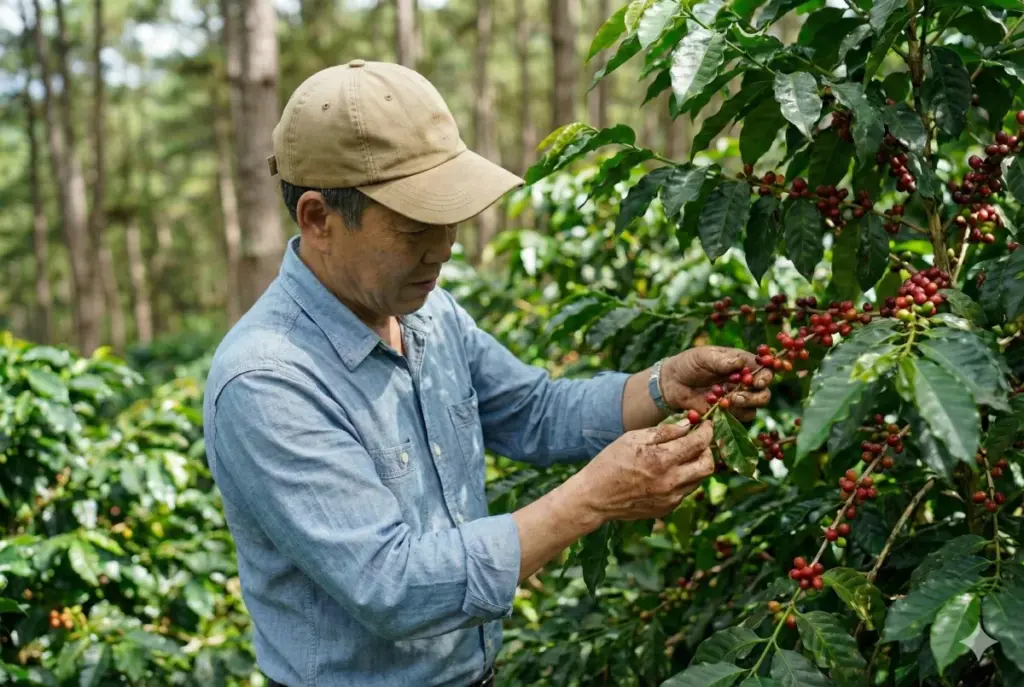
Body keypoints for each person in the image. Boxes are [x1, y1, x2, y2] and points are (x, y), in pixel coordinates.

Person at [202, 59, 772, 687]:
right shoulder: (268, 381)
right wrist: (591, 499)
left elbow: (534, 412)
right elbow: (393, 586)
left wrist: (662, 386)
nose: (445, 247)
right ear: (318, 219)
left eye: (450, 218)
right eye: (415, 227)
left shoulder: (429, 314)